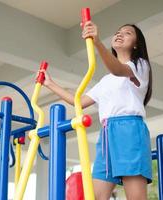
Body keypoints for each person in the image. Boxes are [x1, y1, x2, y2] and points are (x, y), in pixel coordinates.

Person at [41, 21, 153, 200]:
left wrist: (97, 42)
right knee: (96, 197)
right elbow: (78, 101)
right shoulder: (106, 80)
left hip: (129, 130)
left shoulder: (140, 65)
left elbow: (118, 70)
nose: (120, 34)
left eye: (127, 33)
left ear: (136, 44)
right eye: (118, 31)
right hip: (107, 134)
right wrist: (50, 84)